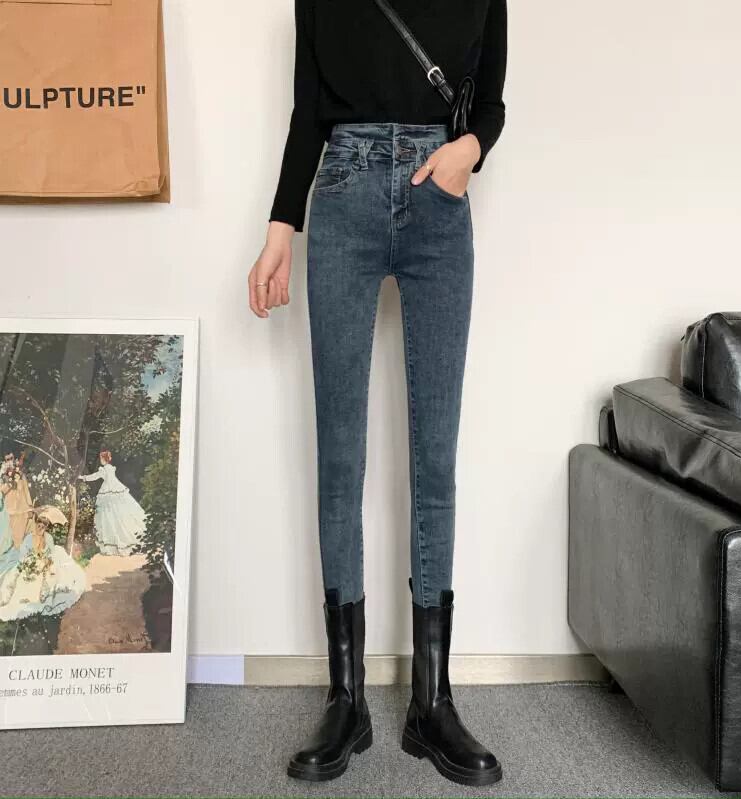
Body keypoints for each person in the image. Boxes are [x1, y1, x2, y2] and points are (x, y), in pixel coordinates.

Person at [248, 0, 507, 786]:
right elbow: (309, 111)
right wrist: (279, 228)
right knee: (340, 458)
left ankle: (432, 701)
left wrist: (467, 151)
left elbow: (490, 103)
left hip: (440, 202)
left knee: (435, 460)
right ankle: (347, 699)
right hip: (345, 194)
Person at [0, 514, 86, 622]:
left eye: (43, 527)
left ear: (45, 528)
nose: (40, 529)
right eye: (39, 526)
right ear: (35, 525)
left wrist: (45, 559)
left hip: (44, 561)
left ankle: (39, 596)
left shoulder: (48, 538)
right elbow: (23, 553)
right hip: (30, 561)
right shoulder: (29, 538)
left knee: (48, 574)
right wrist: (30, 559)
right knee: (20, 575)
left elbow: (51, 552)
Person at [79, 450, 146, 556]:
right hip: (115, 487)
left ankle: (115, 544)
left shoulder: (104, 469)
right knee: (116, 514)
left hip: (109, 490)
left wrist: (83, 478)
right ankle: (118, 541)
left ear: (104, 459)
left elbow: (94, 476)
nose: (100, 460)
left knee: (109, 515)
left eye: (101, 458)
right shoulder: (111, 468)